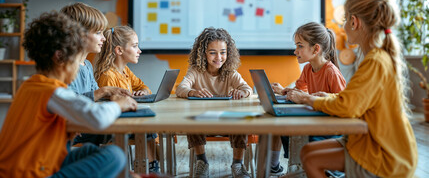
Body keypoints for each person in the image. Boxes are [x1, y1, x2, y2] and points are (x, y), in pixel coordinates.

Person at [287, 0, 417, 177]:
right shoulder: (374, 58)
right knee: (306, 152)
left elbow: (347, 107)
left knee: (311, 159)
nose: (343, 26)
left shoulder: (375, 61)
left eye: (345, 20)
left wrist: (308, 99)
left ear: (354, 22)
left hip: (384, 153)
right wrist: (324, 98)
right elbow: (351, 100)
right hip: (369, 140)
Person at [0, 11, 137, 177]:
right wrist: (118, 105)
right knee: (115, 155)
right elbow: (97, 118)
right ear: (59, 58)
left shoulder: (30, 85)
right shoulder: (52, 91)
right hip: (30, 174)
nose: (80, 65)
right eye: (78, 59)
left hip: (41, 162)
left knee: (90, 151)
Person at [269, 22, 346, 176]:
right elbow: (301, 90)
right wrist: (285, 90)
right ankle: (296, 165)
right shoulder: (307, 68)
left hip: (330, 128)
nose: (295, 50)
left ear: (316, 49)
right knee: (283, 128)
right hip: (315, 120)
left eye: (300, 46)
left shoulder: (331, 72)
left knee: (297, 133)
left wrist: (304, 97)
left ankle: (323, 170)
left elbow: (343, 102)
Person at [175, 27, 253, 178]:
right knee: (192, 119)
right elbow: (181, 88)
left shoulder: (230, 72)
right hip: (203, 123)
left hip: (227, 123)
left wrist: (242, 92)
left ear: (228, 53)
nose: (219, 57)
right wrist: (193, 92)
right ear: (203, 53)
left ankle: (237, 163)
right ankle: (201, 161)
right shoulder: (196, 71)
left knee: (241, 120)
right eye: (212, 52)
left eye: (223, 52)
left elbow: (247, 88)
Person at [60, 2, 132, 146]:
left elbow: (93, 98)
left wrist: (111, 94)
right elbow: (71, 105)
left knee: (136, 126)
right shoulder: (65, 68)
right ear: (79, 35)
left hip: (87, 122)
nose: (103, 38)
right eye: (98, 33)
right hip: (77, 130)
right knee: (129, 129)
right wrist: (104, 91)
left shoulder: (86, 65)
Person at [94, 25, 158, 173]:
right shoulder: (108, 75)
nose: (139, 50)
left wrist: (141, 92)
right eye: (135, 46)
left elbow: (144, 87)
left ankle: (151, 167)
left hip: (127, 120)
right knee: (147, 128)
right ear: (119, 50)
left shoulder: (125, 70)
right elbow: (113, 108)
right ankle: (149, 168)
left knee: (149, 126)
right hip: (115, 127)